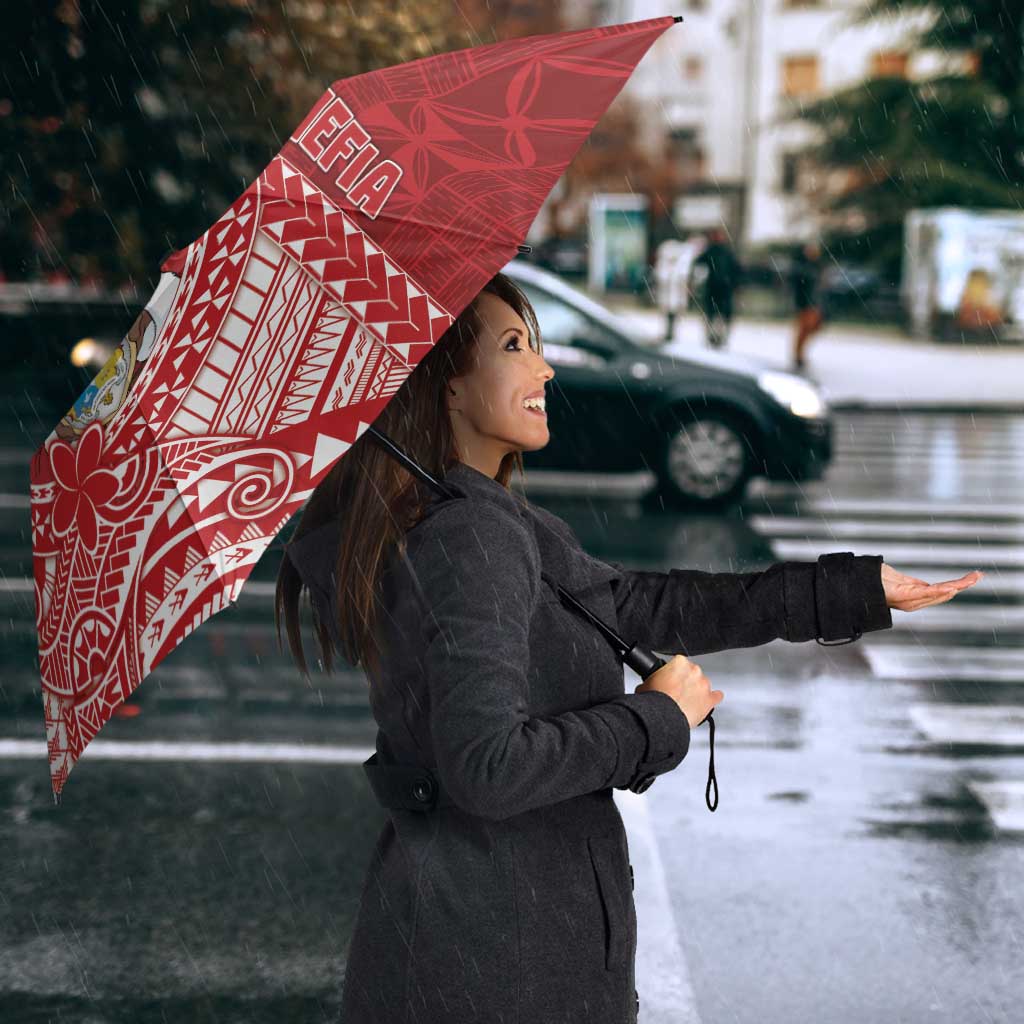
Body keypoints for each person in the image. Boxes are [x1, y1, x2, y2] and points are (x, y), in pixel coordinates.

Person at [276, 271, 912, 1024]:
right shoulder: (471, 536)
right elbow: (488, 767)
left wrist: (847, 591)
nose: (544, 369)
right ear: (447, 386)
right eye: (514, 347)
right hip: (499, 962)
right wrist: (656, 719)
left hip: (475, 940)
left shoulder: (473, 518)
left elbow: (638, 605)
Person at [692, 226, 742, 349]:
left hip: (722, 289)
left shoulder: (724, 252)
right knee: (714, 314)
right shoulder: (714, 251)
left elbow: (736, 270)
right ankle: (713, 337)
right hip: (716, 288)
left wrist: (735, 284)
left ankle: (719, 337)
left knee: (719, 315)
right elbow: (698, 263)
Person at [790, 240, 826, 371]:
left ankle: (800, 354)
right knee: (804, 329)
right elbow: (799, 286)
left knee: (813, 327)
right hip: (805, 303)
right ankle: (798, 355)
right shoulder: (802, 267)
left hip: (814, 303)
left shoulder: (816, 266)